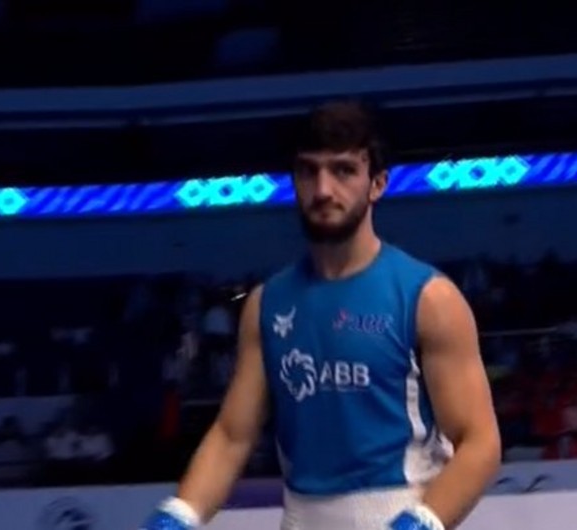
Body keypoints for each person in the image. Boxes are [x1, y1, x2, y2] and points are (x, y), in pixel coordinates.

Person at [140, 101, 501, 530]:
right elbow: (232, 436)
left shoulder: (429, 298)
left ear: (377, 184)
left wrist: (423, 522)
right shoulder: (267, 303)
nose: (324, 189)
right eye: (309, 171)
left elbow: (480, 442)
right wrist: (180, 514)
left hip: (399, 508)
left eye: (343, 170)